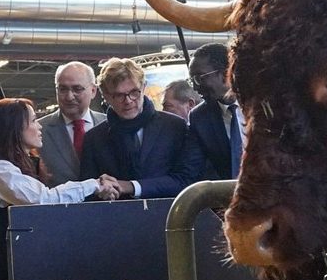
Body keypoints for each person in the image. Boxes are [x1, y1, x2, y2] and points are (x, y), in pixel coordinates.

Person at [0, 98, 116, 280]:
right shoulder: (1, 169)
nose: (39, 126)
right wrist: (94, 185)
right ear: (14, 128)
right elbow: (44, 199)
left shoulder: (20, 164)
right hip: (2, 271)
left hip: (16, 266)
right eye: (33, 120)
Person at [80, 57, 200, 199]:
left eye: (134, 92)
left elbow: (186, 180)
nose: (128, 100)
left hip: (168, 216)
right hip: (115, 217)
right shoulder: (94, 139)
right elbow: (87, 193)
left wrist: (130, 186)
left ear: (144, 88)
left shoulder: (176, 127)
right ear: (106, 96)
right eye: (119, 95)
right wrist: (101, 191)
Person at [37, 62, 105, 187]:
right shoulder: (37, 131)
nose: (69, 97)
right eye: (62, 89)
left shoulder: (111, 126)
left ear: (93, 91)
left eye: (77, 89)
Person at [187, 43, 244, 180]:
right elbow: (195, 170)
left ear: (226, 73)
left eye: (200, 78)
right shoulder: (199, 118)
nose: (195, 87)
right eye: (192, 80)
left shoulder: (266, 108)